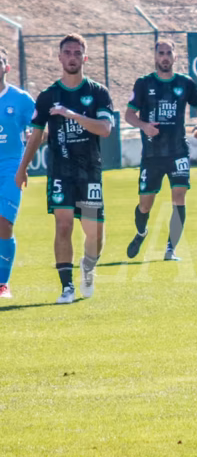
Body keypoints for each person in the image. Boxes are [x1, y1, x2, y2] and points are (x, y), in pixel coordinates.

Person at [15, 33, 114, 304]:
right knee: (63, 226)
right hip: (60, 171)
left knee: (94, 235)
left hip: (89, 171)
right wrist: (22, 167)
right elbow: (35, 136)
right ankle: (66, 287)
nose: (72, 57)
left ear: (85, 57)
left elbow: (105, 129)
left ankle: (88, 267)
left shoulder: (97, 93)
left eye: (77, 53)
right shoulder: (48, 96)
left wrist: (74, 116)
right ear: (59, 57)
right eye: (67, 52)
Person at [124, 39, 197, 261]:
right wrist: (144, 126)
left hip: (178, 151)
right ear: (155, 56)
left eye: (168, 53)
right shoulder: (143, 84)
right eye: (161, 53)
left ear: (175, 57)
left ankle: (171, 249)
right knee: (145, 203)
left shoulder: (185, 83)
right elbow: (129, 115)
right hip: (152, 155)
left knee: (179, 196)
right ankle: (142, 232)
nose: (165, 57)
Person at [0, 46, 36, 299]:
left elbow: (38, 129)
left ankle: (2, 284)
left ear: (7, 67)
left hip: (12, 166)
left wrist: (25, 162)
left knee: (4, 223)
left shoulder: (21, 99)